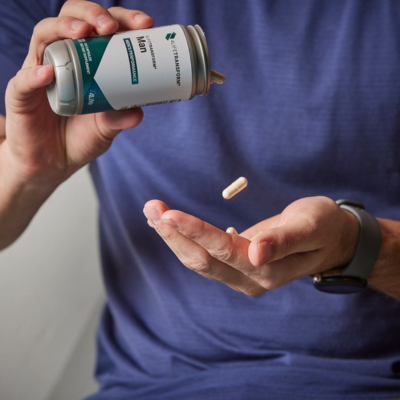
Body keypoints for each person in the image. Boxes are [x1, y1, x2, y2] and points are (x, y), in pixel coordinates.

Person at [1, 0, 400, 399]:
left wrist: (360, 245)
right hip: (154, 386)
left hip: (369, 382)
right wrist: (26, 166)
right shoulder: (51, 14)